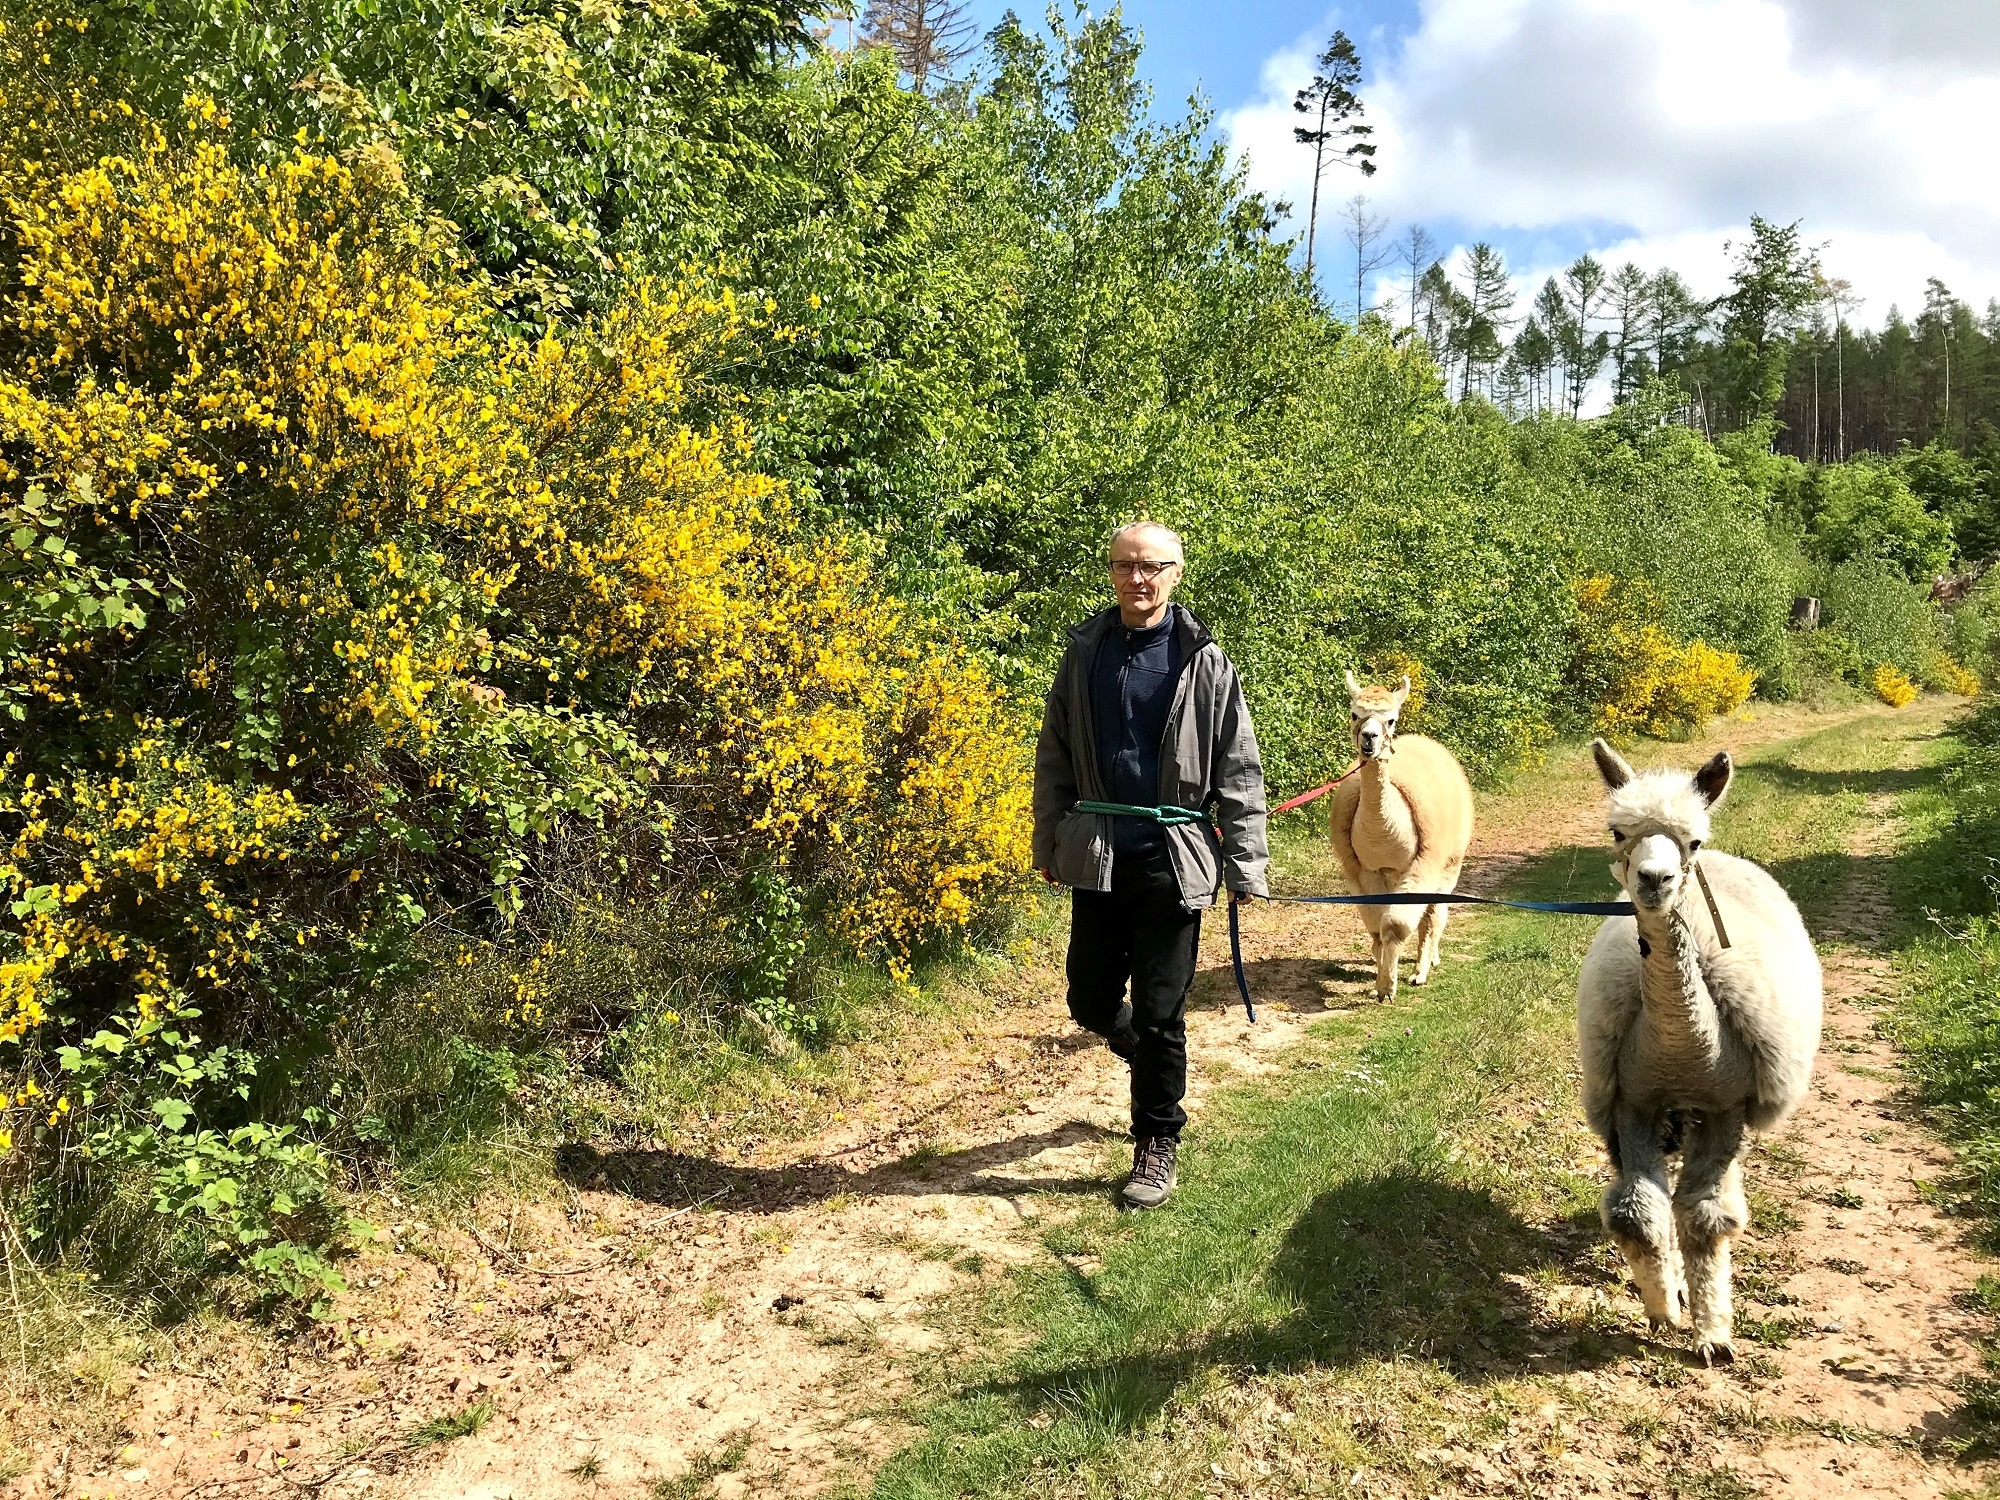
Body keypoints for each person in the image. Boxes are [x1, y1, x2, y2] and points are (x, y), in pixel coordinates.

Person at [1031, 521, 1269, 1208]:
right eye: (1125, 567)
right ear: (1111, 573)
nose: (1138, 579)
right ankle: (1140, 1050)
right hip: (1099, 853)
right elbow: (1055, 755)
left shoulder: (1205, 661)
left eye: (1152, 567)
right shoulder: (1084, 654)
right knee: (1089, 998)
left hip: (1174, 858)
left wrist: (1247, 865)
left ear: (1176, 573)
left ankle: (1157, 1139)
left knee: (1164, 1013)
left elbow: (1239, 768)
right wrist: (1050, 842)